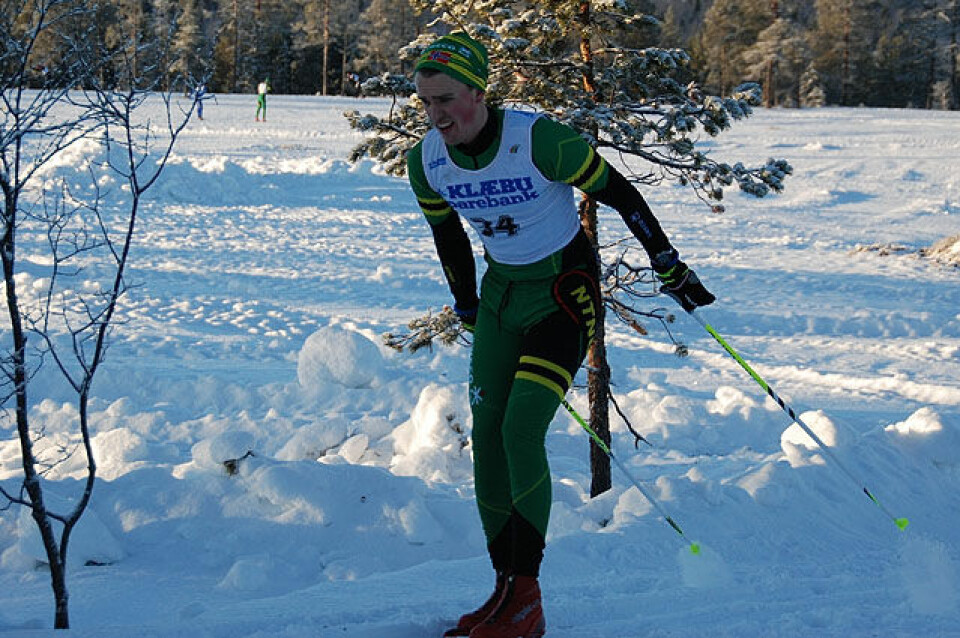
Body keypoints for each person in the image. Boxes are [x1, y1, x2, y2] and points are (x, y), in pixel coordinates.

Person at [406, 32, 715, 638]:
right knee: (488, 439)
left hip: (562, 294)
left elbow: (620, 192)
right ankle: (504, 590)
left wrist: (667, 262)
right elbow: (448, 237)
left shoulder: (536, 140)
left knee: (520, 429)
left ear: (478, 92)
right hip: (501, 298)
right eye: (425, 102)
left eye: (445, 100)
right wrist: (467, 307)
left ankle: (527, 598)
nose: (435, 115)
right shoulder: (428, 162)